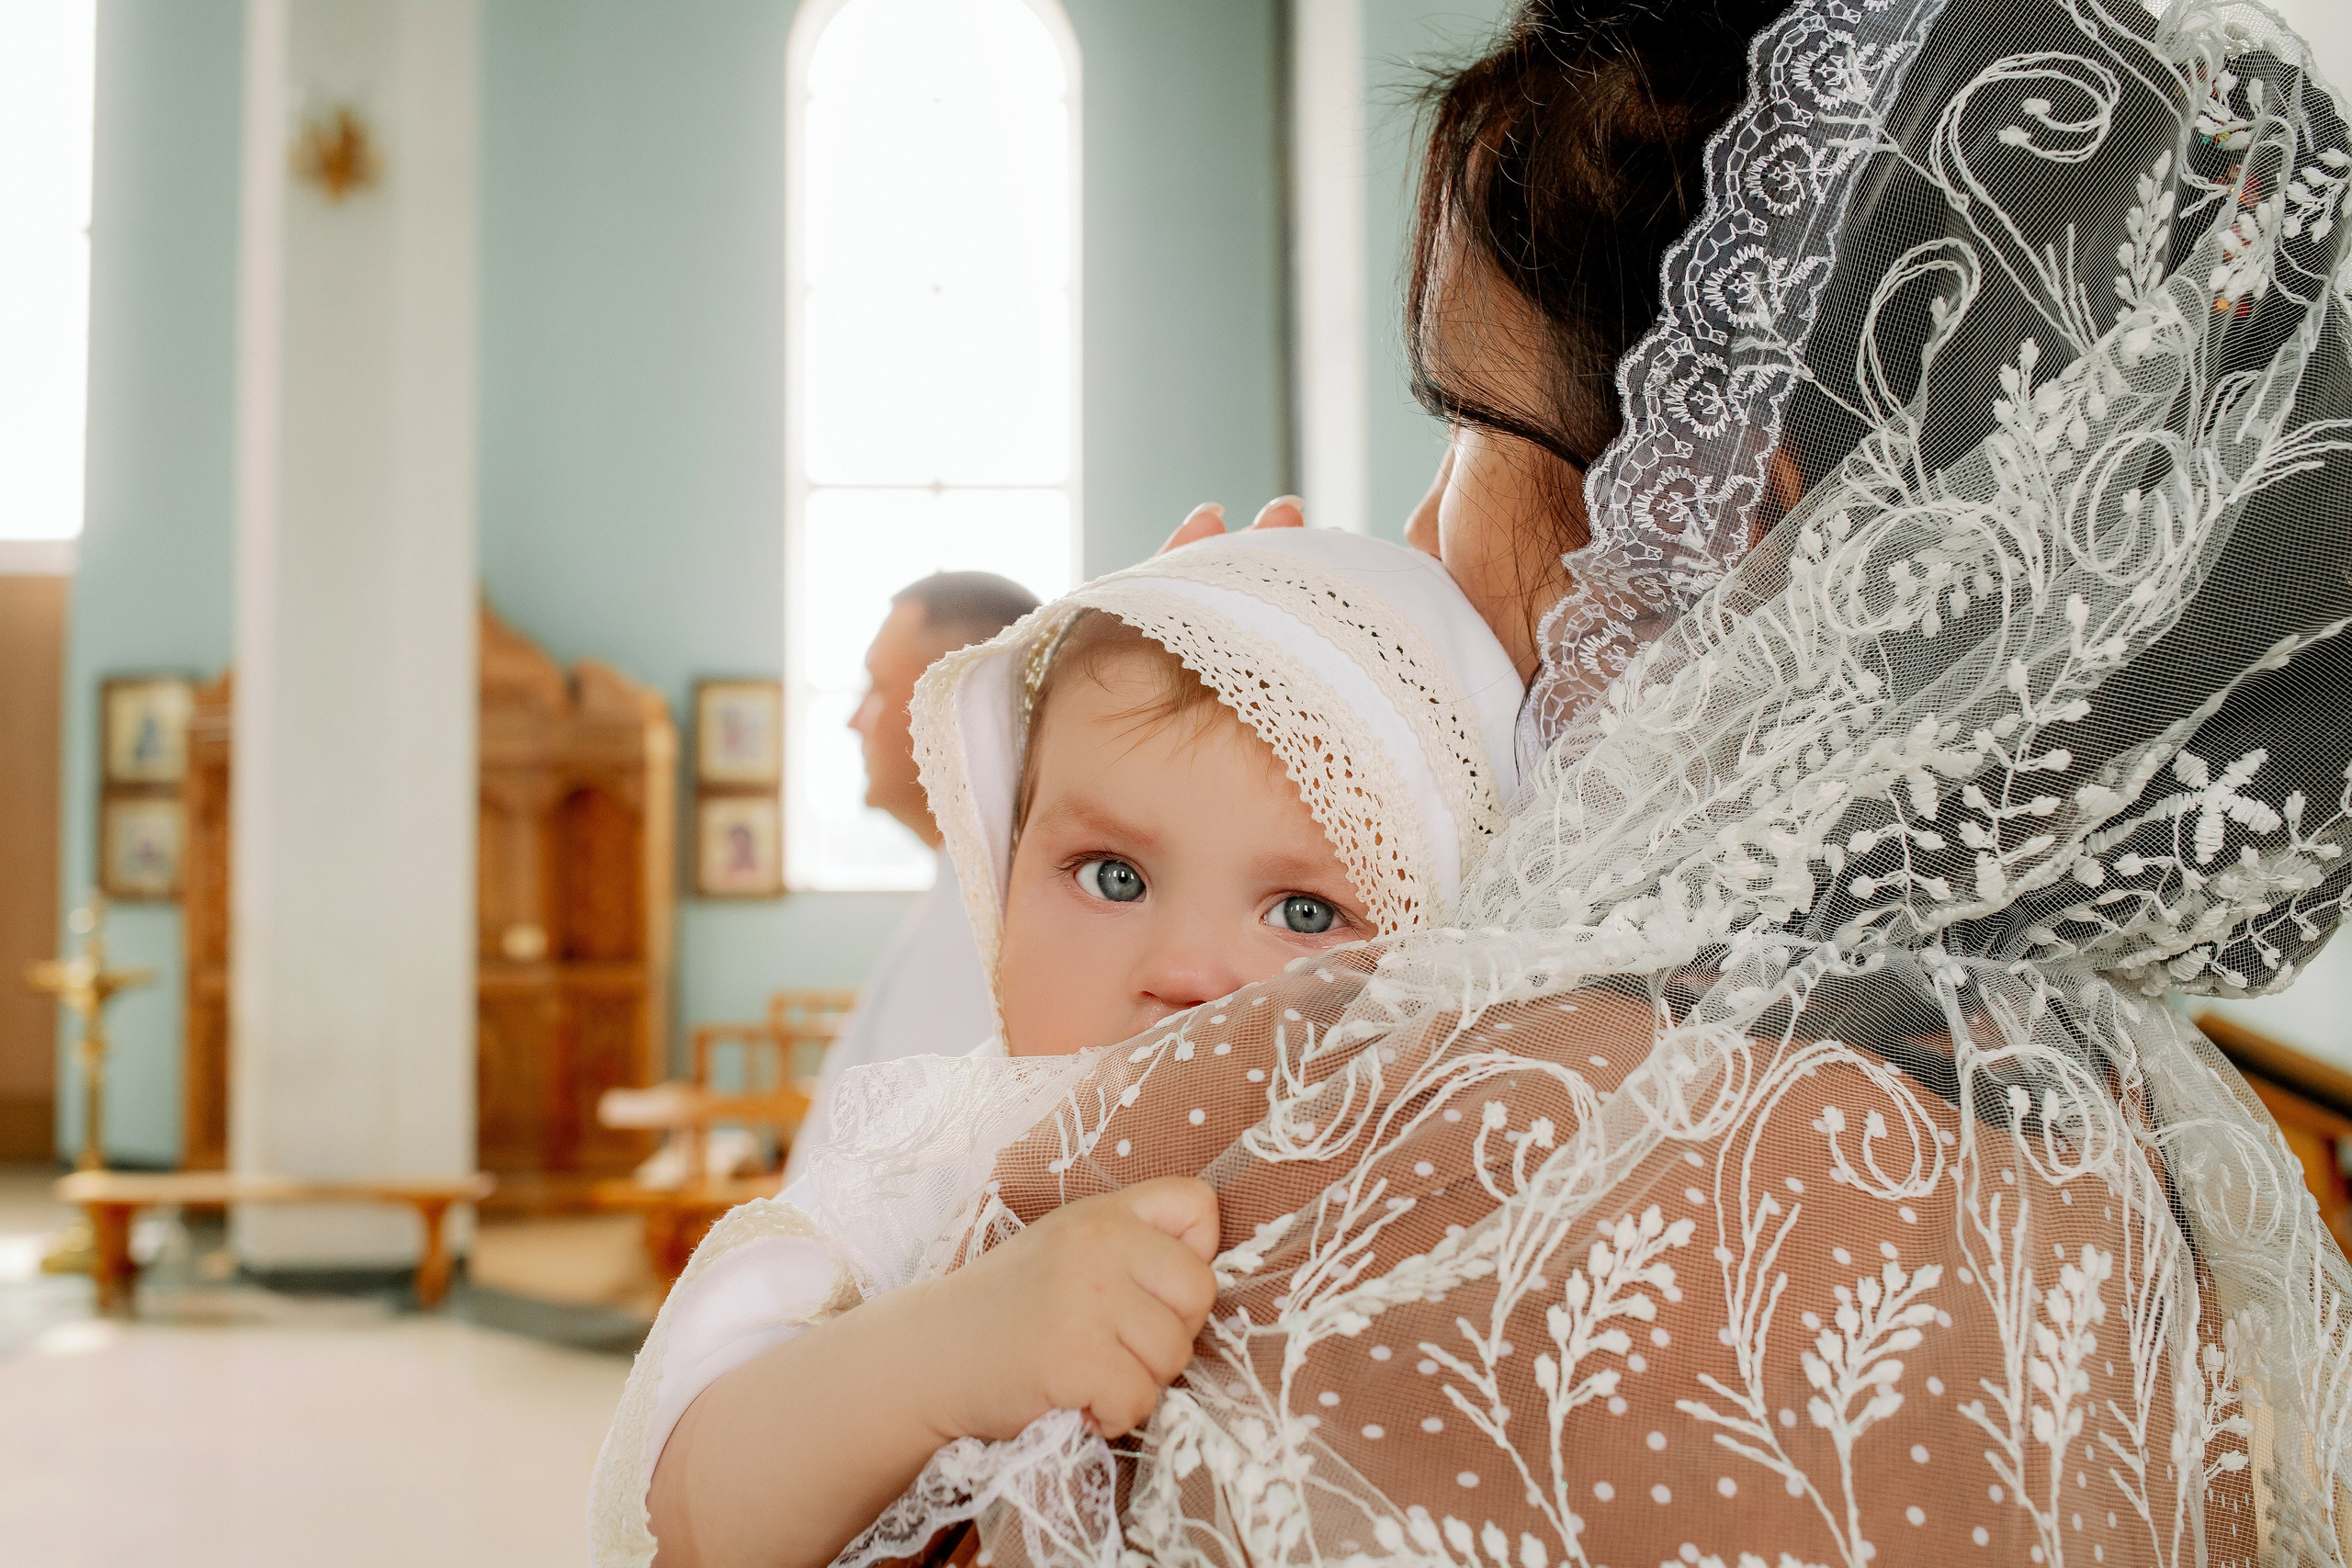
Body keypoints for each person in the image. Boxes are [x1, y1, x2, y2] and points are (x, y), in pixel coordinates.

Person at [609, 0, 2352, 1561]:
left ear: (1735, 530)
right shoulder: (2124, 1144)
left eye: (1465, 426)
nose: (1418, 524)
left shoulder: (1487, 1121)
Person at [591, 525, 1526, 1565]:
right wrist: (944, 1349)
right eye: (1113, 877)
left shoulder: (1461, 1193)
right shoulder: (957, 1163)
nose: (1184, 970)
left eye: (1305, 913)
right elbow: (684, 1520)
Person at [781, 571, 1039, 1183]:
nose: (854, 721)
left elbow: (927, 1177)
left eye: (876, 687)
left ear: (957, 704)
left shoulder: (1005, 909)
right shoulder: (958, 878)